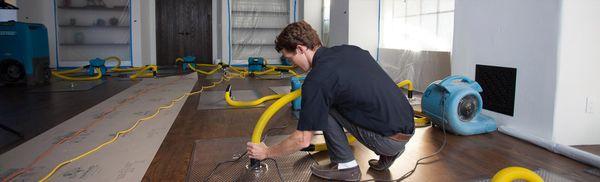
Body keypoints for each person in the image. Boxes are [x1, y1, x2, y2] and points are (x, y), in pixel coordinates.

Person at [246, 20, 414, 181]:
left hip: (388, 140)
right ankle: (390, 152)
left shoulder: (317, 79)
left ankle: (346, 166)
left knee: (324, 104)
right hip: (408, 126)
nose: (293, 64)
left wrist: (266, 152)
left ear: (300, 49)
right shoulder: (351, 50)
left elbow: (302, 139)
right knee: (335, 98)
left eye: (290, 58)